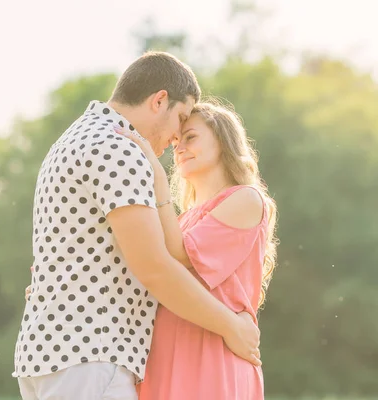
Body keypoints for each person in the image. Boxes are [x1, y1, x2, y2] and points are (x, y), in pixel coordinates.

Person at [13, 51, 261, 400]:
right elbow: (155, 268)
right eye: (181, 118)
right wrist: (231, 326)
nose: (176, 137)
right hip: (93, 353)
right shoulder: (119, 149)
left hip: (52, 353)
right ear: (159, 101)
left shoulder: (74, 139)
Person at [115, 100, 278, 399]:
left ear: (223, 140)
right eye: (176, 141)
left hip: (211, 355)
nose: (178, 148)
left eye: (190, 137)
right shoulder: (181, 219)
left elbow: (178, 255)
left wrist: (156, 177)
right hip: (165, 355)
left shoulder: (246, 200)